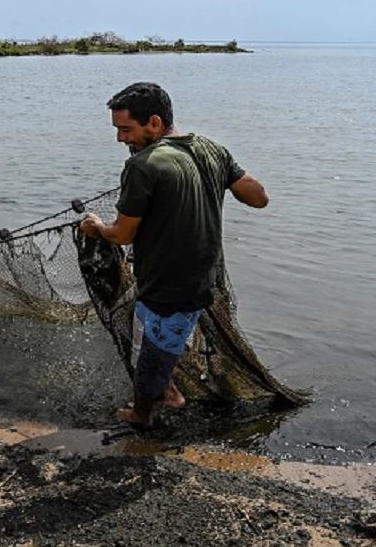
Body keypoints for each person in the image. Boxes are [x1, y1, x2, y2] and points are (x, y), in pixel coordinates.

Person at [79, 82, 269, 425]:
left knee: (153, 355)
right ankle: (165, 389)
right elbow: (259, 198)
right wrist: (222, 175)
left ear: (154, 122)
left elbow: (121, 235)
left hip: (172, 286)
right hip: (202, 277)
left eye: (126, 129)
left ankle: (142, 412)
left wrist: (95, 227)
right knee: (146, 335)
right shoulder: (211, 149)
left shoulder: (142, 166)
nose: (121, 139)